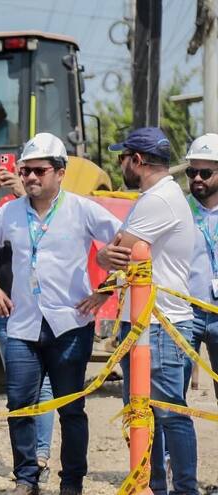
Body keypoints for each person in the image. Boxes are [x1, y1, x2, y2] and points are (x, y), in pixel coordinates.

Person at [0, 133, 121, 495]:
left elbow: (128, 244)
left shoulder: (82, 210)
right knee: (20, 405)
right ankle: (26, 477)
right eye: (25, 171)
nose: (30, 178)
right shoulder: (9, 213)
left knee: (70, 409)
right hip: (24, 327)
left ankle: (72, 482)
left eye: (39, 170)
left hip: (70, 326)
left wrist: (104, 292)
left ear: (60, 172)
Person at [98, 127, 198, 495]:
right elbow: (113, 253)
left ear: (137, 161)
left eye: (122, 157)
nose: (119, 163)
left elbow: (117, 252)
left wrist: (104, 255)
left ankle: (183, 489)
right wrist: (106, 255)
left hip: (161, 325)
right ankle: (153, 486)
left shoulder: (159, 200)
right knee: (144, 416)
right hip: (146, 324)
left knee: (170, 415)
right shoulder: (154, 196)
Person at [0, 164, 58, 480]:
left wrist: (21, 191)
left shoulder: (37, 214)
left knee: (44, 386)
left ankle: (41, 455)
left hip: (41, 311)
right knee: (20, 389)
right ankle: (28, 461)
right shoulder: (3, 217)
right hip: (7, 314)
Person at [183, 133, 218, 403]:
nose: (197, 178)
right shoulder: (177, 210)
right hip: (185, 314)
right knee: (171, 400)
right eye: (191, 171)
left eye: (205, 172)